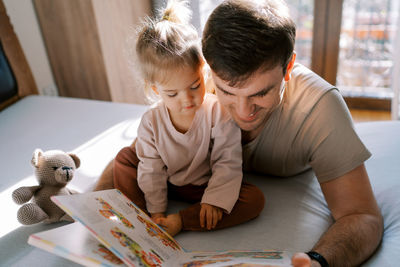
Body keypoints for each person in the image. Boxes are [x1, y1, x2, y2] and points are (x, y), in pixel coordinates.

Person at [200, 0, 383, 266]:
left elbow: (362, 215)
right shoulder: (195, 84)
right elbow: (140, 156)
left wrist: (319, 261)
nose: (243, 111)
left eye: (260, 93)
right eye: (226, 92)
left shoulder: (319, 107)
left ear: (288, 67)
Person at [107, 0, 264, 237]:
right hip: (165, 182)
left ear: (204, 72)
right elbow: (151, 169)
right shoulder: (151, 122)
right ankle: (142, 220)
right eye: (172, 93)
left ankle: (183, 220)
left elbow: (227, 161)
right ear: (156, 90)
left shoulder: (217, 112)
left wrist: (214, 200)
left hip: (202, 187)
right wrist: (155, 210)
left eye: (195, 85)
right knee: (124, 160)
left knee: (253, 199)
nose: (187, 99)